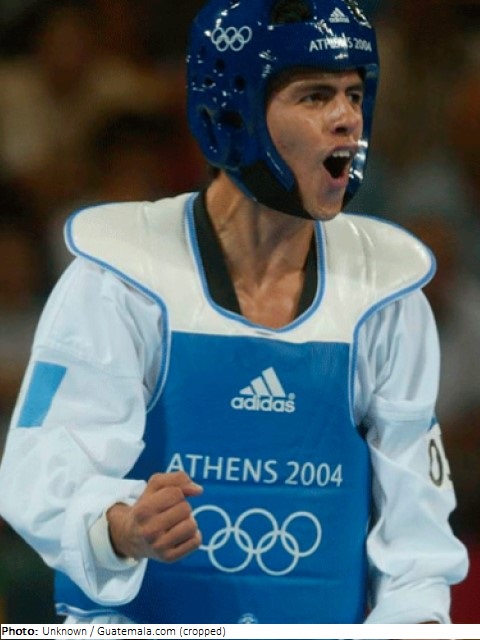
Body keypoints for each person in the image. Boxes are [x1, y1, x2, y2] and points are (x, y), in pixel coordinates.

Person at [0, 0, 468, 625]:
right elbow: (40, 473)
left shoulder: (384, 294)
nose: (347, 120)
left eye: (354, 95)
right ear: (234, 112)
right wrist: (121, 525)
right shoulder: (125, 277)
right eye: (315, 96)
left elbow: (419, 545)